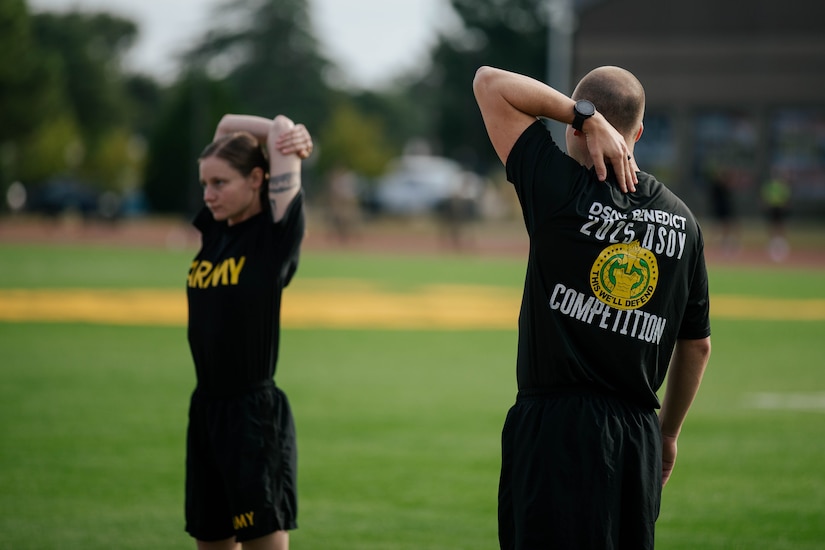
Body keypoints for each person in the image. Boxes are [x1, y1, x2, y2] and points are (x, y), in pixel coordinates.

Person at [473, 65, 712, 549]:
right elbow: (698, 346)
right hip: (636, 436)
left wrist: (582, 115)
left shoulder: (558, 191)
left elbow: (488, 83)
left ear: (574, 128)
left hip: (553, 430)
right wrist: (666, 435)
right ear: (639, 132)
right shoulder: (683, 223)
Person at [185, 113, 313, 550]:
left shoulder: (273, 233)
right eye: (205, 184)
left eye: (220, 183)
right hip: (205, 411)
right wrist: (272, 133)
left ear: (257, 178)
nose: (209, 194)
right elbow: (222, 126)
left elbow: (278, 129)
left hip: (252, 419)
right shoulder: (216, 231)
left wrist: (288, 134)